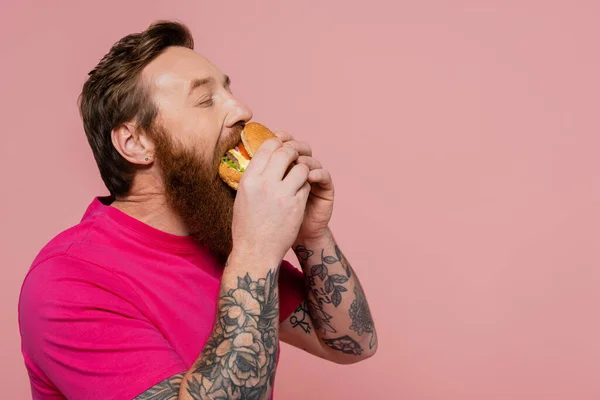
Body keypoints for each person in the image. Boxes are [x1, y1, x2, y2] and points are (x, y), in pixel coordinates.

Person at [18, 20, 377, 400]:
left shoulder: (219, 237)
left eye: (229, 91)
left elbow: (352, 342)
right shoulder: (68, 284)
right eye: (206, 100)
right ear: (136, 142)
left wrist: (311, 234)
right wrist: (256, 252)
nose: (242, 110)